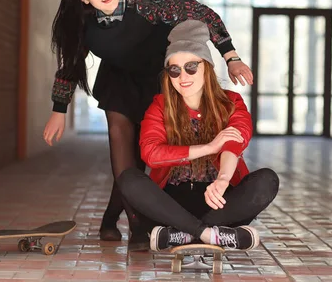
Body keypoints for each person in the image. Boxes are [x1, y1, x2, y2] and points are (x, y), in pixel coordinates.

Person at [42, 0, 254, 250]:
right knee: (122, 150)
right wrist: (58, 110)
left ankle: (109, 217)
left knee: (142, 157)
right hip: (118, 82)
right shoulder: (81, 24)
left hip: (160, 80)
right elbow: (68, 66)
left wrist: (231, 57)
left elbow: (200, 13)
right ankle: (137, 227)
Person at [117, 20, 279, 251]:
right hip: (170, 208)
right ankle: (209, 235)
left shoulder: (231, 102)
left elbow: (235, 141)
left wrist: (223, 179)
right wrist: (209, 147)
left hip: (219, 202)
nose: (183, 76)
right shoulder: (159, 106)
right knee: (129, 179)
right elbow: (151, 154)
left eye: (191, 66)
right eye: (175, 70)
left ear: (206, 67)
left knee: (267, 180)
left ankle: (182, 236)